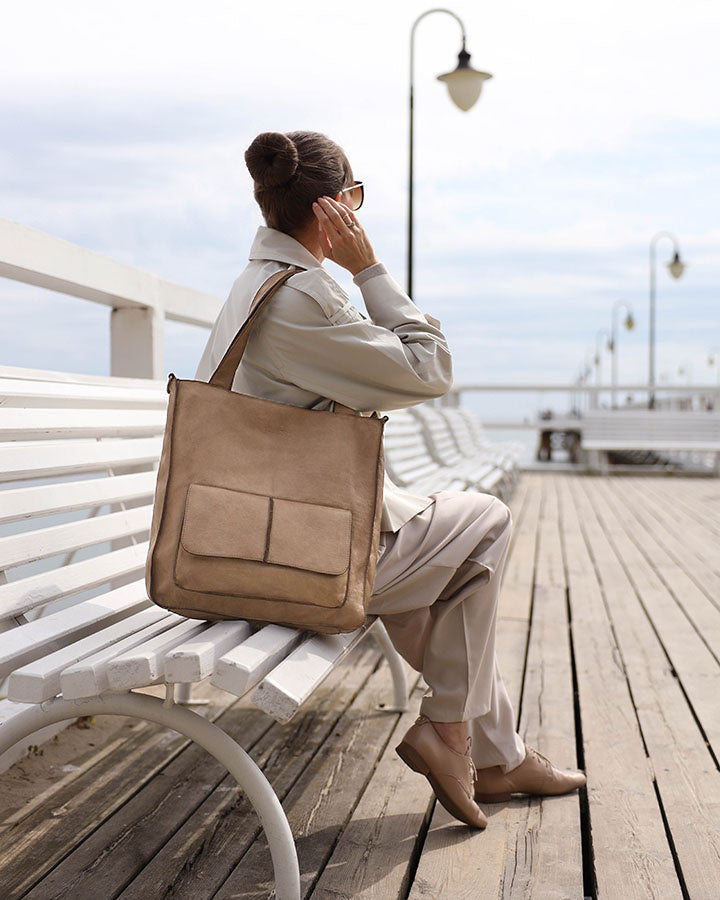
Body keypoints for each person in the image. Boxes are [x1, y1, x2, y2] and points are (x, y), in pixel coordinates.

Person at [194, 130, 586, 829]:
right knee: (484, 525)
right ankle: (457, 736)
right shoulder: (300, 300)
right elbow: (430, 367)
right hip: (289, 560)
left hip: (264, 533)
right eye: (357, 198)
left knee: (436, 588)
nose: (360, 213)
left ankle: (497, 754)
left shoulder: (256, 285)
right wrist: (369, 268)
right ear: (332, 211)